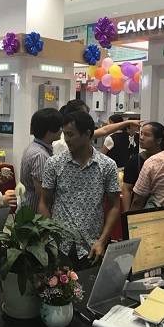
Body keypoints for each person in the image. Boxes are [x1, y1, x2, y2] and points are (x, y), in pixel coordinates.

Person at [39, 111, 121, 268]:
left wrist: (102, 241)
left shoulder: (107, 165)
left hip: (91, 246)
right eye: (65, 134)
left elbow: (115, 206)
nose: (67, 139)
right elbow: (44, 202)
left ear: (88, 134)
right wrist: (48, 236)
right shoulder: (54, 163)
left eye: (71, 134)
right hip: (60, 246)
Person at [53, 99, 140, 155]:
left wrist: (127, 122)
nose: (87, 118)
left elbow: (105, 130)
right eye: (84, 114)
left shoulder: (84, 135)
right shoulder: (60, 144)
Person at [20, 108, 63, 213]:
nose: (62, 130)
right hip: (35, 212)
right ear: (49, 131)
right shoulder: (40, 155)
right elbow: (42, 193)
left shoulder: (34, 147)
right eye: (59, 127)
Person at [121, 122, 164, 211]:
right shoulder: (135, 161)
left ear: (158, 140)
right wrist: (127, 213)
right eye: (141, 133)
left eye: (147, 135)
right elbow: (126, 189)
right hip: (139, 209)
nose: (141, 137)